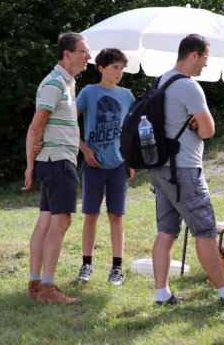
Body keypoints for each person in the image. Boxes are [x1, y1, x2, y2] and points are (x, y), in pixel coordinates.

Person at [148, 34, 224, 307]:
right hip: (184, 169)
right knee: (205, 230)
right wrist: (197, 124)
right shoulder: (188, 86)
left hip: (160, 168)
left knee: (166, 231)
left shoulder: (162, 80)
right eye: (206, 57)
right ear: (194, 54)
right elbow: (208, 130)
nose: (206, 64)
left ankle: (162, 294)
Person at [23, 32, 91, 304]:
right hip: (58, 162)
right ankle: (48, 289)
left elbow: (42, 130)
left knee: (46, 221)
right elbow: (34, 128)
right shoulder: (55, 84)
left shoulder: (66, 83)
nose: (89, 56)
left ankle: (36, 284)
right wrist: (30, 167)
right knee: (61, 221)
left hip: (54, 160)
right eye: (84, 51)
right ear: (67, 54)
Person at [74, 49, 135, 286]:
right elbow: (69, 123)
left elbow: (132, 132)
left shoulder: (127, 96)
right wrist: (85, 150)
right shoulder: (89, 92)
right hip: (93, 166)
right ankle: (86, 265)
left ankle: (117, 268)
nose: (119, 72)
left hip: (119, 165)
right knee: (91, 215)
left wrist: (130, 161)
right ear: (101, 68)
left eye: (122, 68)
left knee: (116, 216)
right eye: (114, 67)